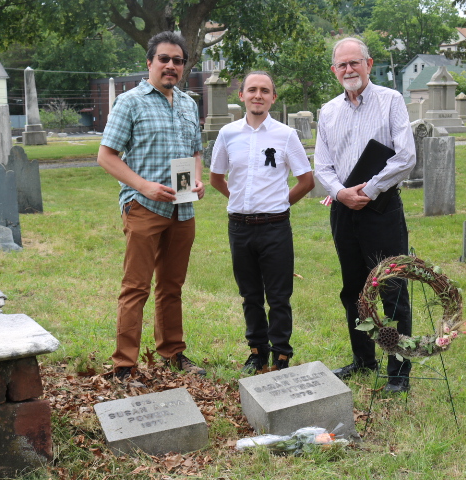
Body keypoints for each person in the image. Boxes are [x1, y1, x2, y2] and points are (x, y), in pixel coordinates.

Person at [97, 31, 206, 381]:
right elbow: (106, 156)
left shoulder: (188, 104)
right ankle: (124, 365)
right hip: (143, 206)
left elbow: (196, 151)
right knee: (136, 288)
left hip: (182, 209)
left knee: (171, 286)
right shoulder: (130, 102)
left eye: (178, 60)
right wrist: (144, 187)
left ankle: (172, 352)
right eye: (164, 59)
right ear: (149, 62)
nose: (171, 65)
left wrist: (198, 180)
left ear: (184, 66)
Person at [314, 37, 416, 393]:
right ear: (334, 70)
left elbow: (405, 156)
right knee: (353, 290)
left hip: (382, 210)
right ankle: (363, 360)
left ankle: (398, 372)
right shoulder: (328, 111)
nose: (348, 70)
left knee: (392, 289)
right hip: (344, 212)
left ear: (368, 64)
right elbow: (322, 166)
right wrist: (340, 193)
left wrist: (369, 190)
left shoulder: (391, 101)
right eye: (342, 65)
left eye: (354, 62)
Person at [210, 71, 314, 373]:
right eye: (252, 90)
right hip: (240, 228)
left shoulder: (286, 135)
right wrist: (240, 201)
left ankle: (281, 354)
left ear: (273, 98)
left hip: (275, 228)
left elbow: (306, 181)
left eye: (265, 91)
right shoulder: (228, 134)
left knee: (279, 296)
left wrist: (279, 203)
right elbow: (216, 178)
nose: (258, 95)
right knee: (250, 295)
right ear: (241, 95)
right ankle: (257, 352)